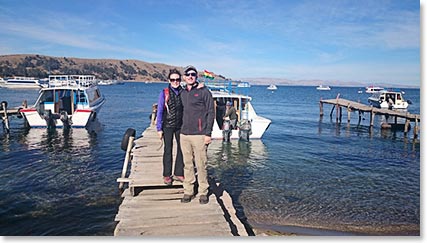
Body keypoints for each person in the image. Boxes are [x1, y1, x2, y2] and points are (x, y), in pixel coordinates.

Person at [180, 65, 215, 204]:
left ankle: (203, 191)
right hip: (184, 134)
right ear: (184, 77)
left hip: (200, 134)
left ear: (196, 77)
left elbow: (211, 112)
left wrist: (208, 133)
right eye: (187, 74)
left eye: (193, 74)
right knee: (187, 164)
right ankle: (188, 191)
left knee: (201, 164)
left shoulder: (204, 92)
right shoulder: (182, 93)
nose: (190, 76)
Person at [156, 69, 184, 185]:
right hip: (167, 125)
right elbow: (160, 111)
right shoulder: (164, 93)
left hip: (180, 125)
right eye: (173, 79)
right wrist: (159, 128)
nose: (175, 82)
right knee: (168, 149)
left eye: (177, 79)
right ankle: (167, 175)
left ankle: (178, 172)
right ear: (169, 80)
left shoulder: (183, 92)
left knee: (182, 149)